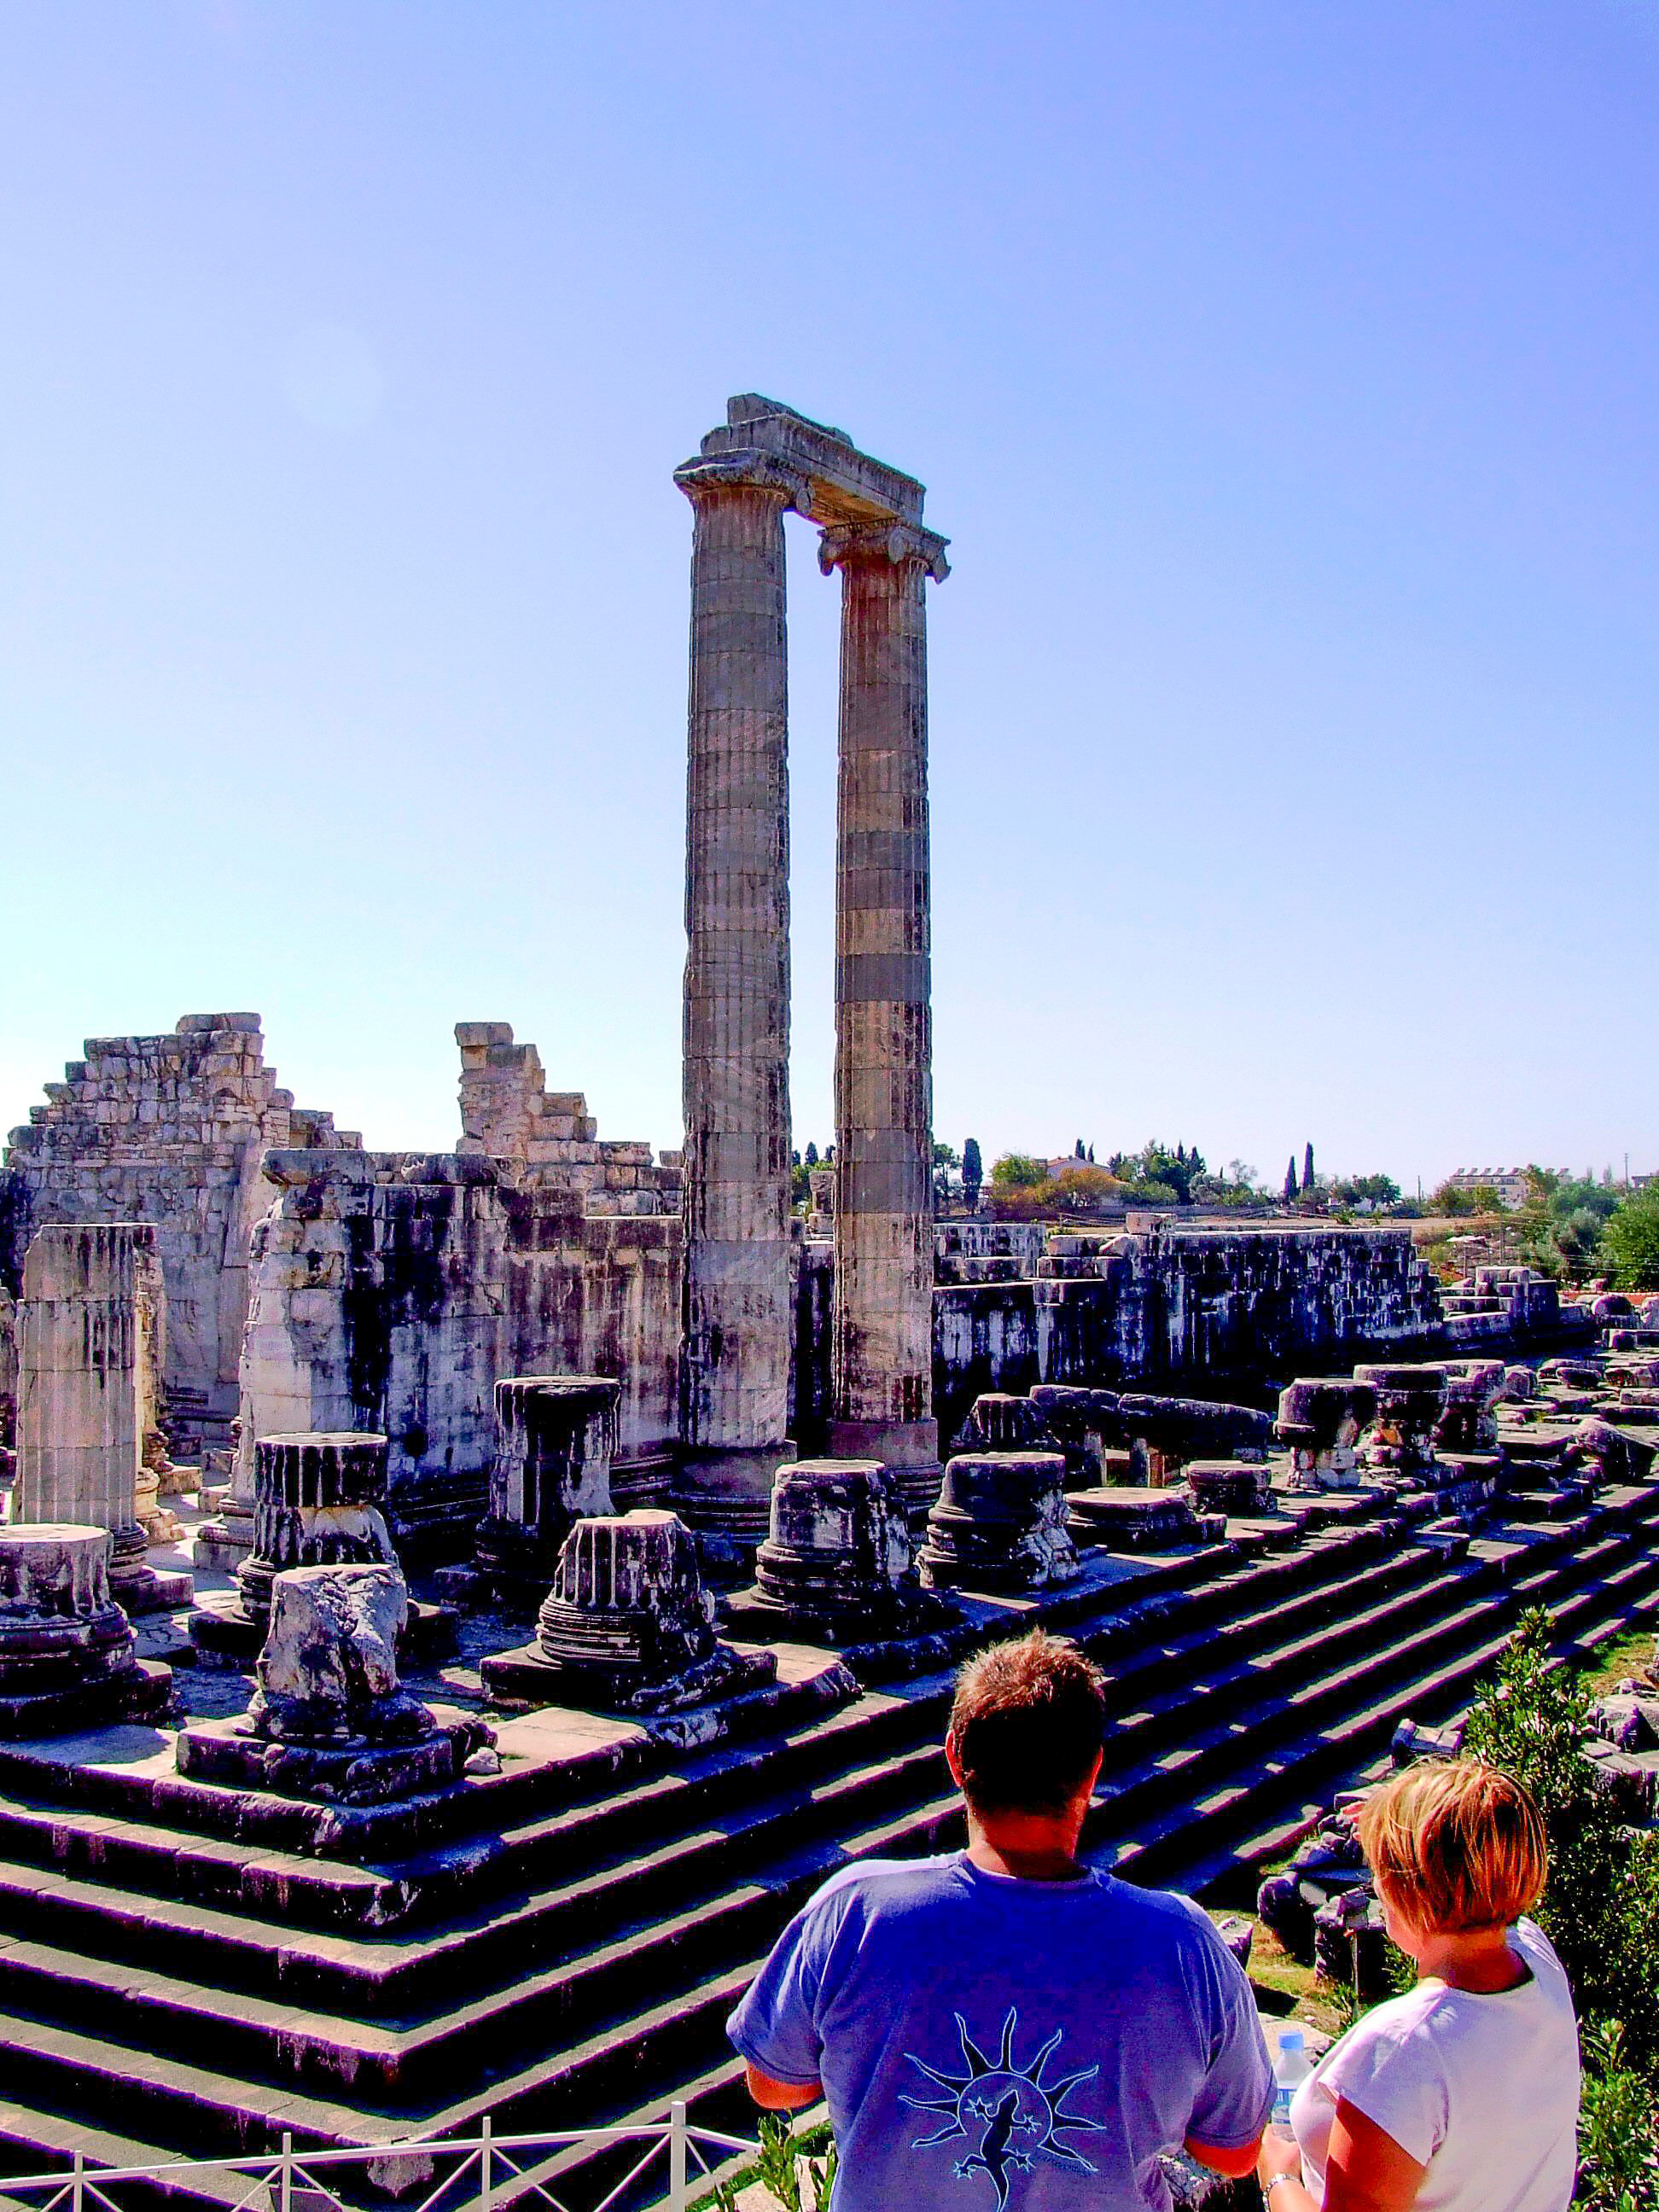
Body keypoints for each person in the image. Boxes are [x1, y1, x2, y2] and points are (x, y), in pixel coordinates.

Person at [727, 1627, 1272, 2212]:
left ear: (955, 1760)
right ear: (1093, 1772)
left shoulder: (854, 1912)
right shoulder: (1182, 1944)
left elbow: (775, 2085)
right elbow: (1232, 2152)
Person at [1258, 1759, 1580, 2212]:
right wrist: (1404, 1815)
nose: (1374, 1883)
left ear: (1410, 1886)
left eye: (1382, 1869)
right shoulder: (1535, 1958)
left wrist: (1279, 2177)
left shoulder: (1404, 2047)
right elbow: (1484, 1858)